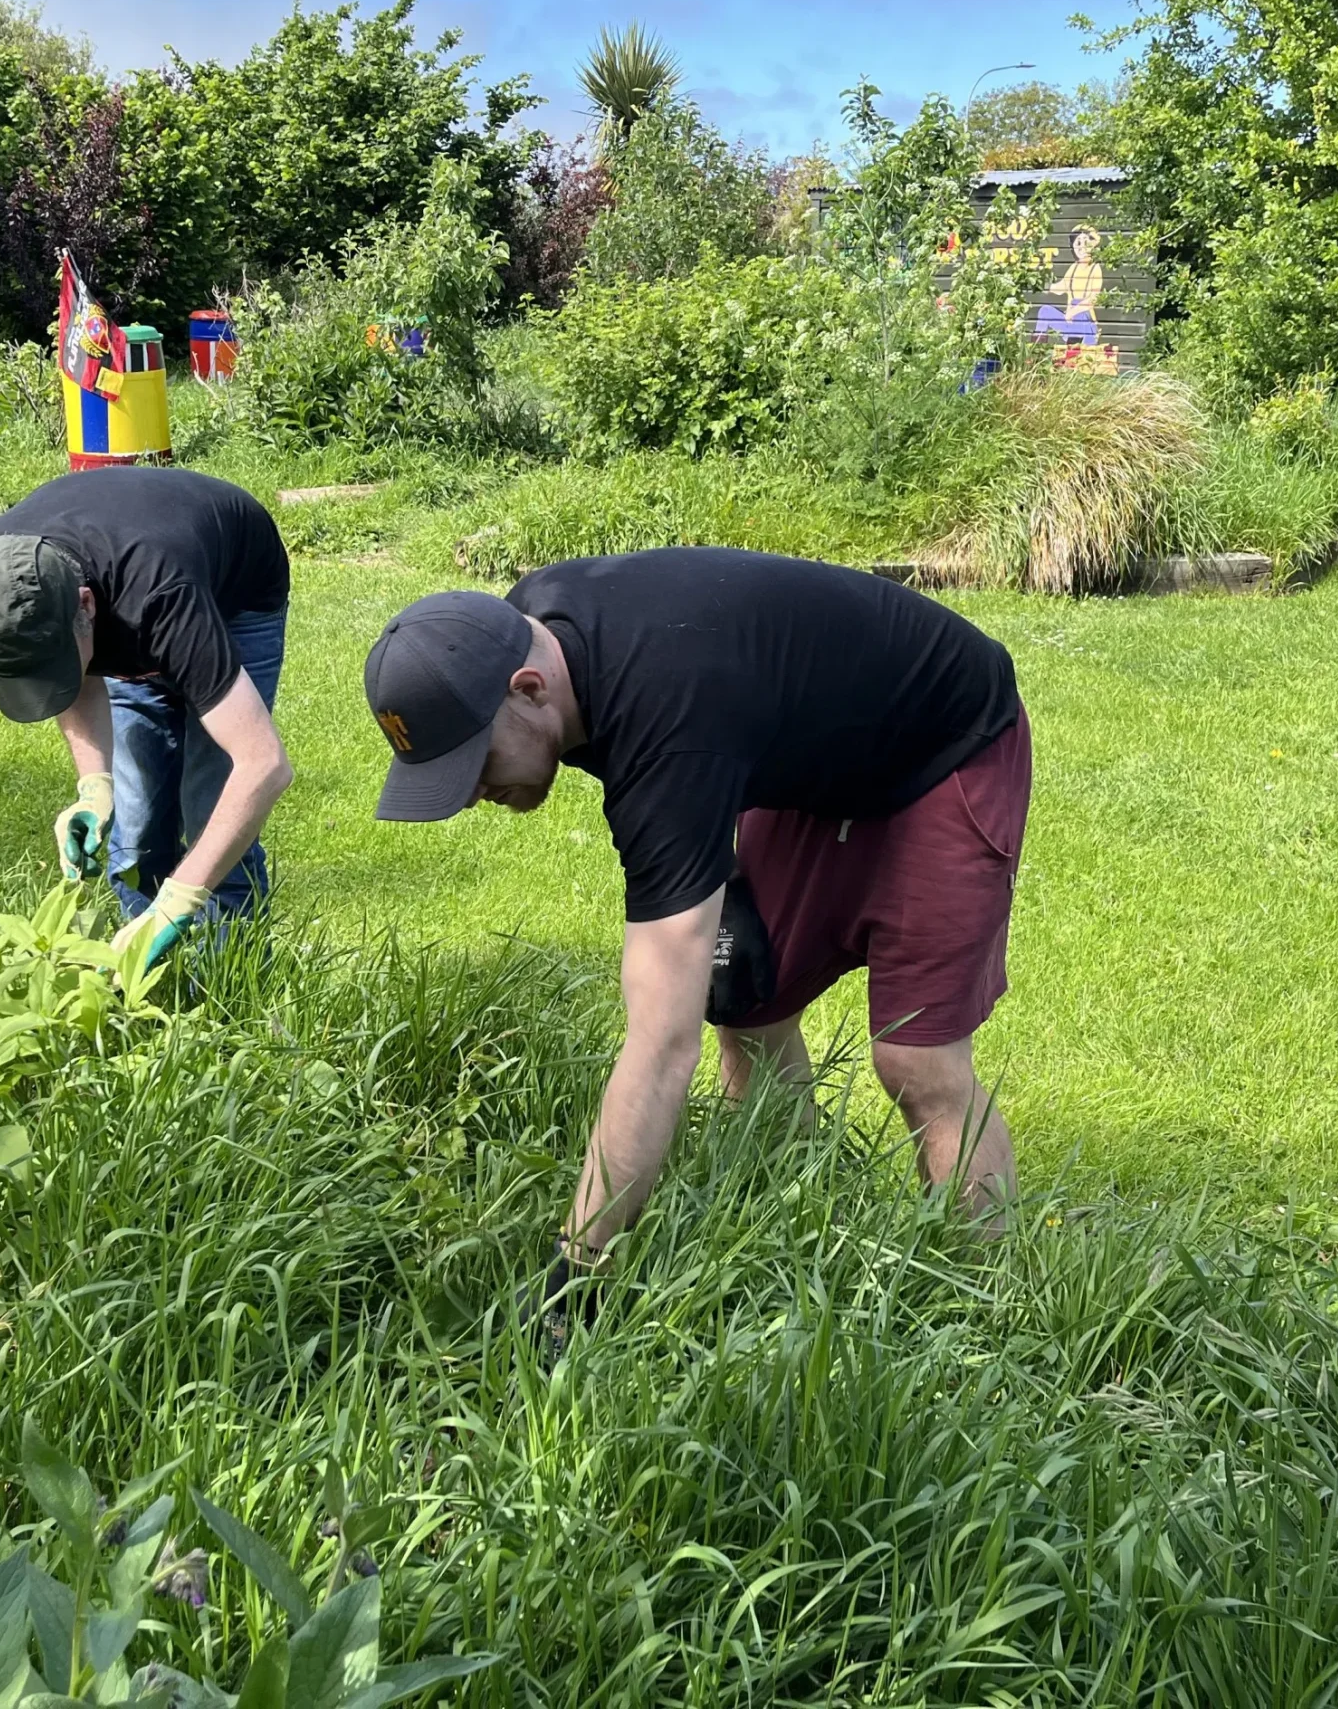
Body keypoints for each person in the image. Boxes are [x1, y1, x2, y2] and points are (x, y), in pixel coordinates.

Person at [362, 547, 1029, 1281]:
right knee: (747, 1002)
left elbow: (661, 1046)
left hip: (944, 741)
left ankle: (986, 1297)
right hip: (810, 758)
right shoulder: (521, 634)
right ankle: (785, 1253)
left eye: (474, 763)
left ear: (529, 688)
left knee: (917, 1060)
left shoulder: (667, 721)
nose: (466, 796)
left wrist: (575, 1273)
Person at [0, 466, 292, 966]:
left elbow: (263, 765)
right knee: (136, 833)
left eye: (60, 660)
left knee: (212, 804)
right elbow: (73, 675)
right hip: (130, 583)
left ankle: (229, 980)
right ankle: (142, 974)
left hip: (234, 593)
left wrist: (179, 899)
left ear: (86, 606)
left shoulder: (159, 596)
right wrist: (94, 787)